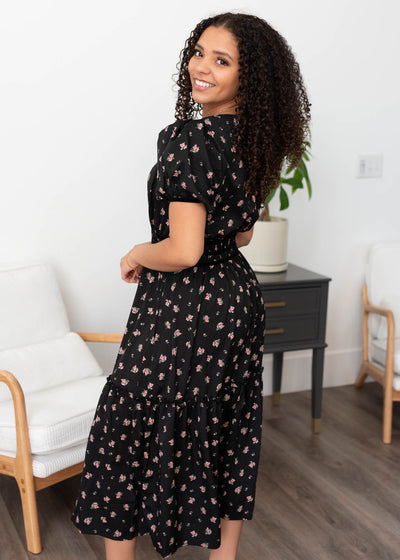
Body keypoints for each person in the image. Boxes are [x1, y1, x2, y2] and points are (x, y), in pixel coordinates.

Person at [71, 11, 311, 560]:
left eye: (220, 60)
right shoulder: (254, 139)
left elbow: (184, 251)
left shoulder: (187, 139)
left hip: (184, 304)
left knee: (129, 427)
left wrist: (137, 253)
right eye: (199, 51)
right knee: (224, 426)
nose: (200, 67)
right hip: (236, 302)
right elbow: (243, 235)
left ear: (247, 78)